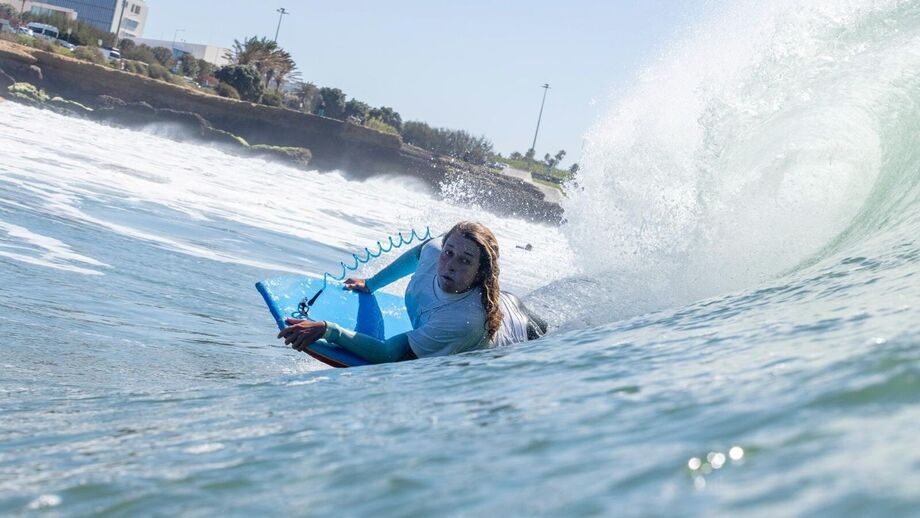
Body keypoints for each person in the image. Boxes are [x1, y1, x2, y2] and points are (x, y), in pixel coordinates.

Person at [278, 221, 547, 363]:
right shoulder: (434, 253)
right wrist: (371, 283)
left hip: (522, 332)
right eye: (449, 253)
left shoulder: (463, 320)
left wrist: (329, 330)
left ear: (481, 272)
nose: (450, 264)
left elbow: (389, 354)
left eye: (465, 261)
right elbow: (419, 253)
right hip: (502, 303)